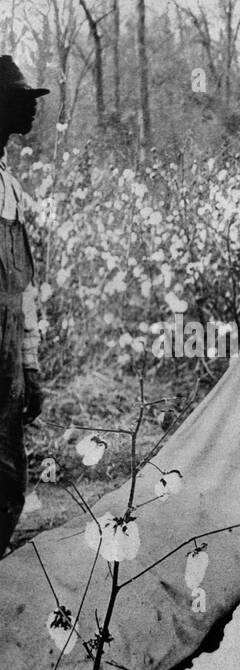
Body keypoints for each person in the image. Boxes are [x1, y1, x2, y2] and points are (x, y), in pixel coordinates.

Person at [0, 56, 48, 557]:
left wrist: (29, 362)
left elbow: (23, 285)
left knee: (9, 475)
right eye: (20, 101)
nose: (31, 111)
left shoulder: (10, 186)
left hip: (8, 351)